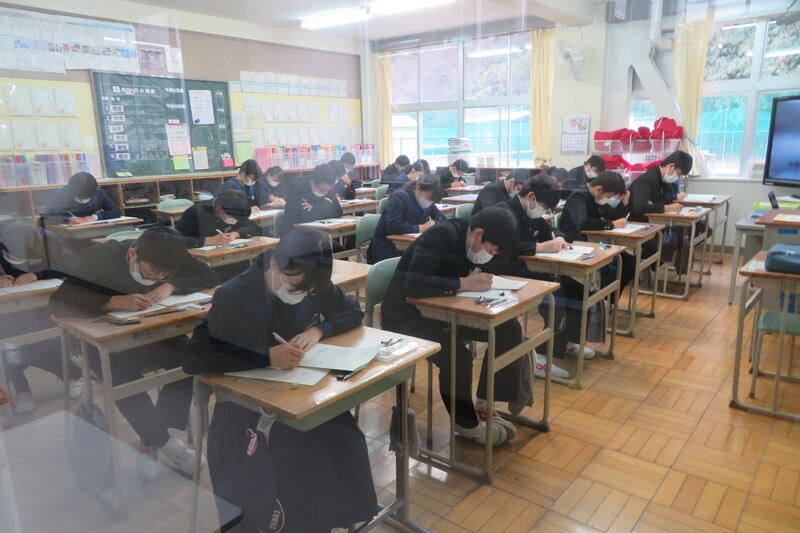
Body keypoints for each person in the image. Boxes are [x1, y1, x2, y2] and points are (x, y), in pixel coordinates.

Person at [185, 228, 376, 532]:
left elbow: (351, 310)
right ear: (275, 265)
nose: (300, 295)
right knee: (299, 456)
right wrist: (264, 356)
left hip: (297, 393)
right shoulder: (234, 294)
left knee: (344, 436)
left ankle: (332, 519)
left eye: (309, 291)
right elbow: (197, 357)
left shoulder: (310, 281)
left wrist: (318, 330)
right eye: (296, 286)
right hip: (247, 406)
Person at [49, 227, 219, 480]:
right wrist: (111, 302)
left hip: (152, 334)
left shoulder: (169, 254)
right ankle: (164, 442)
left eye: (164, 274)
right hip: (104, 343)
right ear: (133, 254)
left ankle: (151, 437)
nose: (155, 278)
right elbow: (59, 301)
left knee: (191, 359)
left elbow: (209, 276)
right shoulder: (102, 257)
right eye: (152, 272)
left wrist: (171, 285)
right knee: (121, 375)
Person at [382, 206, 523, 445]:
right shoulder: (440, 235)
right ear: (478, 234)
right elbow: (414, 285)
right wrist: (463, 283)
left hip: (442, 312)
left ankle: (485, 403)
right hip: (406, 316)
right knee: (458, 357)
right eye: (491, 250)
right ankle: (465, 423)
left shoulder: (470, 244)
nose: (490, 256)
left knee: (508, 329)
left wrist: (477, 280)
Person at [0, 220, 83, 414]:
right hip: (8, 301)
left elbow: (73, 267)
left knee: (48, 336)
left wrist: (39, 273)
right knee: (8, 341)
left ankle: (72, 375)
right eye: (15, 257)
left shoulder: (49, 239)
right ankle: (22, 390)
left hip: (41, 299)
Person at [558, 171, 635, 291]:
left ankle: (609, 297)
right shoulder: (578, 197)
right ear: (599, 190)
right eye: (609, 197)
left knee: (629, 260)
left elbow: (611, 216)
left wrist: (623, 203)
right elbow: (583, 224)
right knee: (617, 260)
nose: (609, 200)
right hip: (577, 244)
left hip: (595, 242)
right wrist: (612, 224)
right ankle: (604, 295)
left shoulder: (596, 198)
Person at [366, 174, 445, 264]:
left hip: (409, 247)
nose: (430, 202)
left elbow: (441, 218)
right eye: (429, 198)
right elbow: (394, 227)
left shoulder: (426, 200)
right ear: (418, 188)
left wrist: (435, 223)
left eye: (432, 200)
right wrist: (420, 228)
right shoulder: (399, 198)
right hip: (387, 248)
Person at [175, 189, 258, 248]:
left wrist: (236, 234)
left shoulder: (235, 209)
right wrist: (208, 241)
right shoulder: (195, 212)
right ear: (219, 209)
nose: (235, 220)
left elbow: (253, 226)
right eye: (232, 217)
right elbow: (174, 239)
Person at [628, 151, 692, 222]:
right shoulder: (648, 179)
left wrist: (654, 205)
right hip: (637, 222)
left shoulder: (663, 179)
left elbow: (663, 200)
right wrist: (667, 208)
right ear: (671, 167)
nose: (677, 178)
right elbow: (640, 207)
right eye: (678, 174)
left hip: (652, 220)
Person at [280, 164, 343, 237]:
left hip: (318, 233)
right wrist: (325, 205)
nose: (325, 193)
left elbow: (338, 212)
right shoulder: (298, 188)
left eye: (328, 189)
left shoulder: (328, 186)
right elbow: (302, 218)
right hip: (295, 235)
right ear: (312, 182)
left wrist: (314, 208)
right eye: (321, 190)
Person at [43, 171, 120, 225]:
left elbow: (115, 211)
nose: (83, 199)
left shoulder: (98, 193)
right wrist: (67, 219)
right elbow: (48, 216)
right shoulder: (61, 194)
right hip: (70, 231)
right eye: (80, 196)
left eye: (87, 195)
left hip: (92, 227)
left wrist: (95, 217)